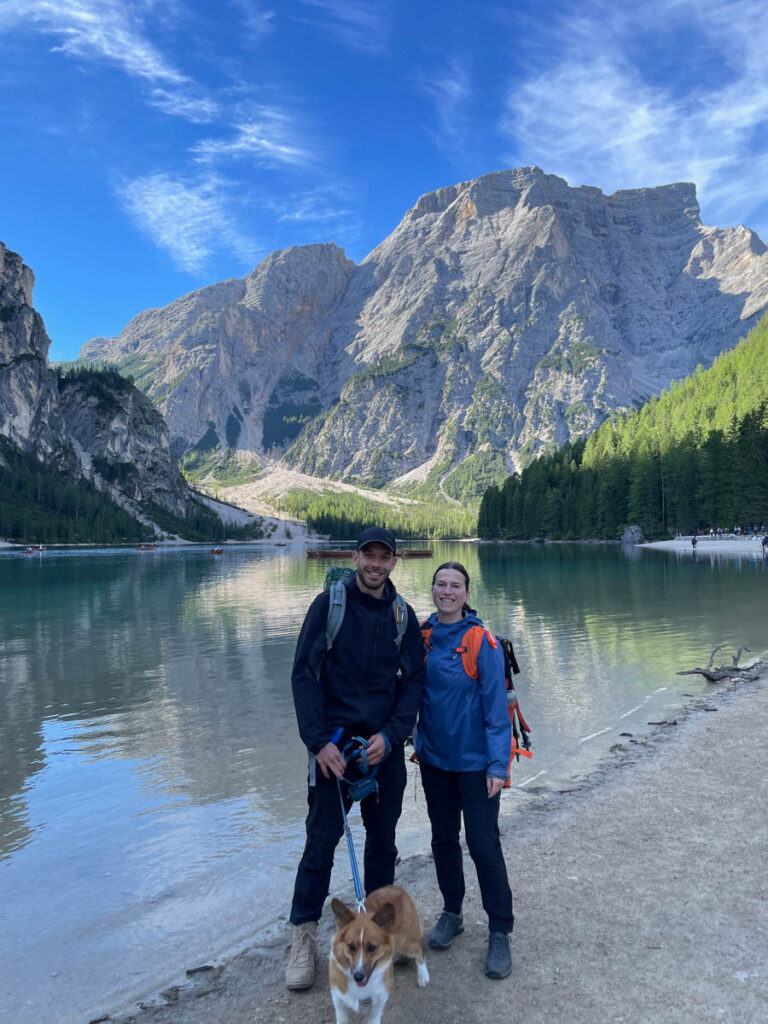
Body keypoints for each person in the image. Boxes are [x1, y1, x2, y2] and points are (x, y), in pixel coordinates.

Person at [285, 527, 426, 990]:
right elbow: (303, 675)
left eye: (384, 557)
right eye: (369, 555)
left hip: (383, 749)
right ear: (356, 557)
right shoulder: (329, 606)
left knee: (382, 843)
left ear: (394, 563)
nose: (376, 564)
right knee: (320, 843)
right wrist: (318, 742)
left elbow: (413, 682)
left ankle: (378, 936)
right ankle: (303, 938)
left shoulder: (402, 615)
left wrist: (392, 735)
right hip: (334, 752)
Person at [415, 561, 514, 980]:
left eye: (456, 585)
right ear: (433, 589)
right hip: (434, 761)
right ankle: (452, 912)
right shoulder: (421, 636)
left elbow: (496, 710)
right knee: (442, 839)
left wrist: (498, 766)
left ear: (467, 594)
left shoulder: (481, 642)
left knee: (483, 844)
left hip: (476, 766)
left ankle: (499, 931)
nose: (447, 591)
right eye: (441, 584)